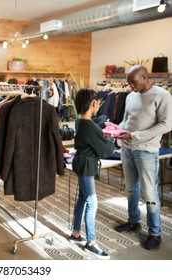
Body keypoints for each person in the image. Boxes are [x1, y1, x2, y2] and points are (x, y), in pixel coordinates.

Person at [116, 65, 172, 251]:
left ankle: (155, 233)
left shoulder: (162, 95)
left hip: (147, 151)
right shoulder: (131, 96)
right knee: (131, 189)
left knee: (149, 193)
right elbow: (126, 120)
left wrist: (135, 135)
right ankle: (133, 221)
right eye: (129, 83)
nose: (131, 86)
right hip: (127, 149)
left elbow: (166, 125)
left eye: (134, 82)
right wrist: (116, 129)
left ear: (145, 77)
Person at [70, 88, 115, 260]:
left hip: (81, 163)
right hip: (87, 167)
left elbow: (91, 129)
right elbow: (105, 149)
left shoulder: (79, 120)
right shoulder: (88, 126)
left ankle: (75, 233)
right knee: (92, 202)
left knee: (82, 198)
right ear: (94, 104)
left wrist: (103, 126)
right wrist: (113, 139)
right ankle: (91, 242)